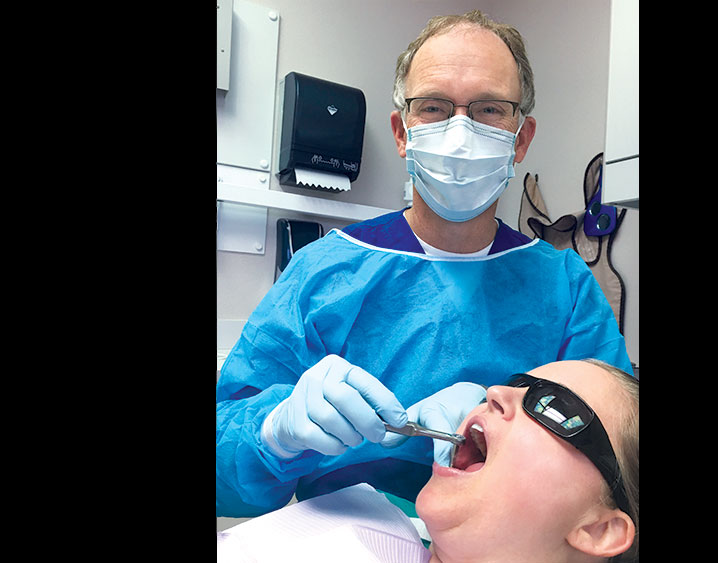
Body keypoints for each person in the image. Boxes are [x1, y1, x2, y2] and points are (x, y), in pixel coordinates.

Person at [216, 10, 632, 518]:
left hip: (506, 544)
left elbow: (615, 458)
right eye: (433, 107)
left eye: (490, 109)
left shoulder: (566, 290)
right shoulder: (321, 272)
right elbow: (221, 467)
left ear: (521, 139)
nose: (460, 132)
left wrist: (504, 424)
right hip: (340, 541)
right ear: (402, 133)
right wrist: (272, 433)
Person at [217, 359, 640, 563]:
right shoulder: (359, 528)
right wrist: (268, 435)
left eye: (554, 406)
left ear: (600, 529)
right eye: (518, 383)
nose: (494, 392)